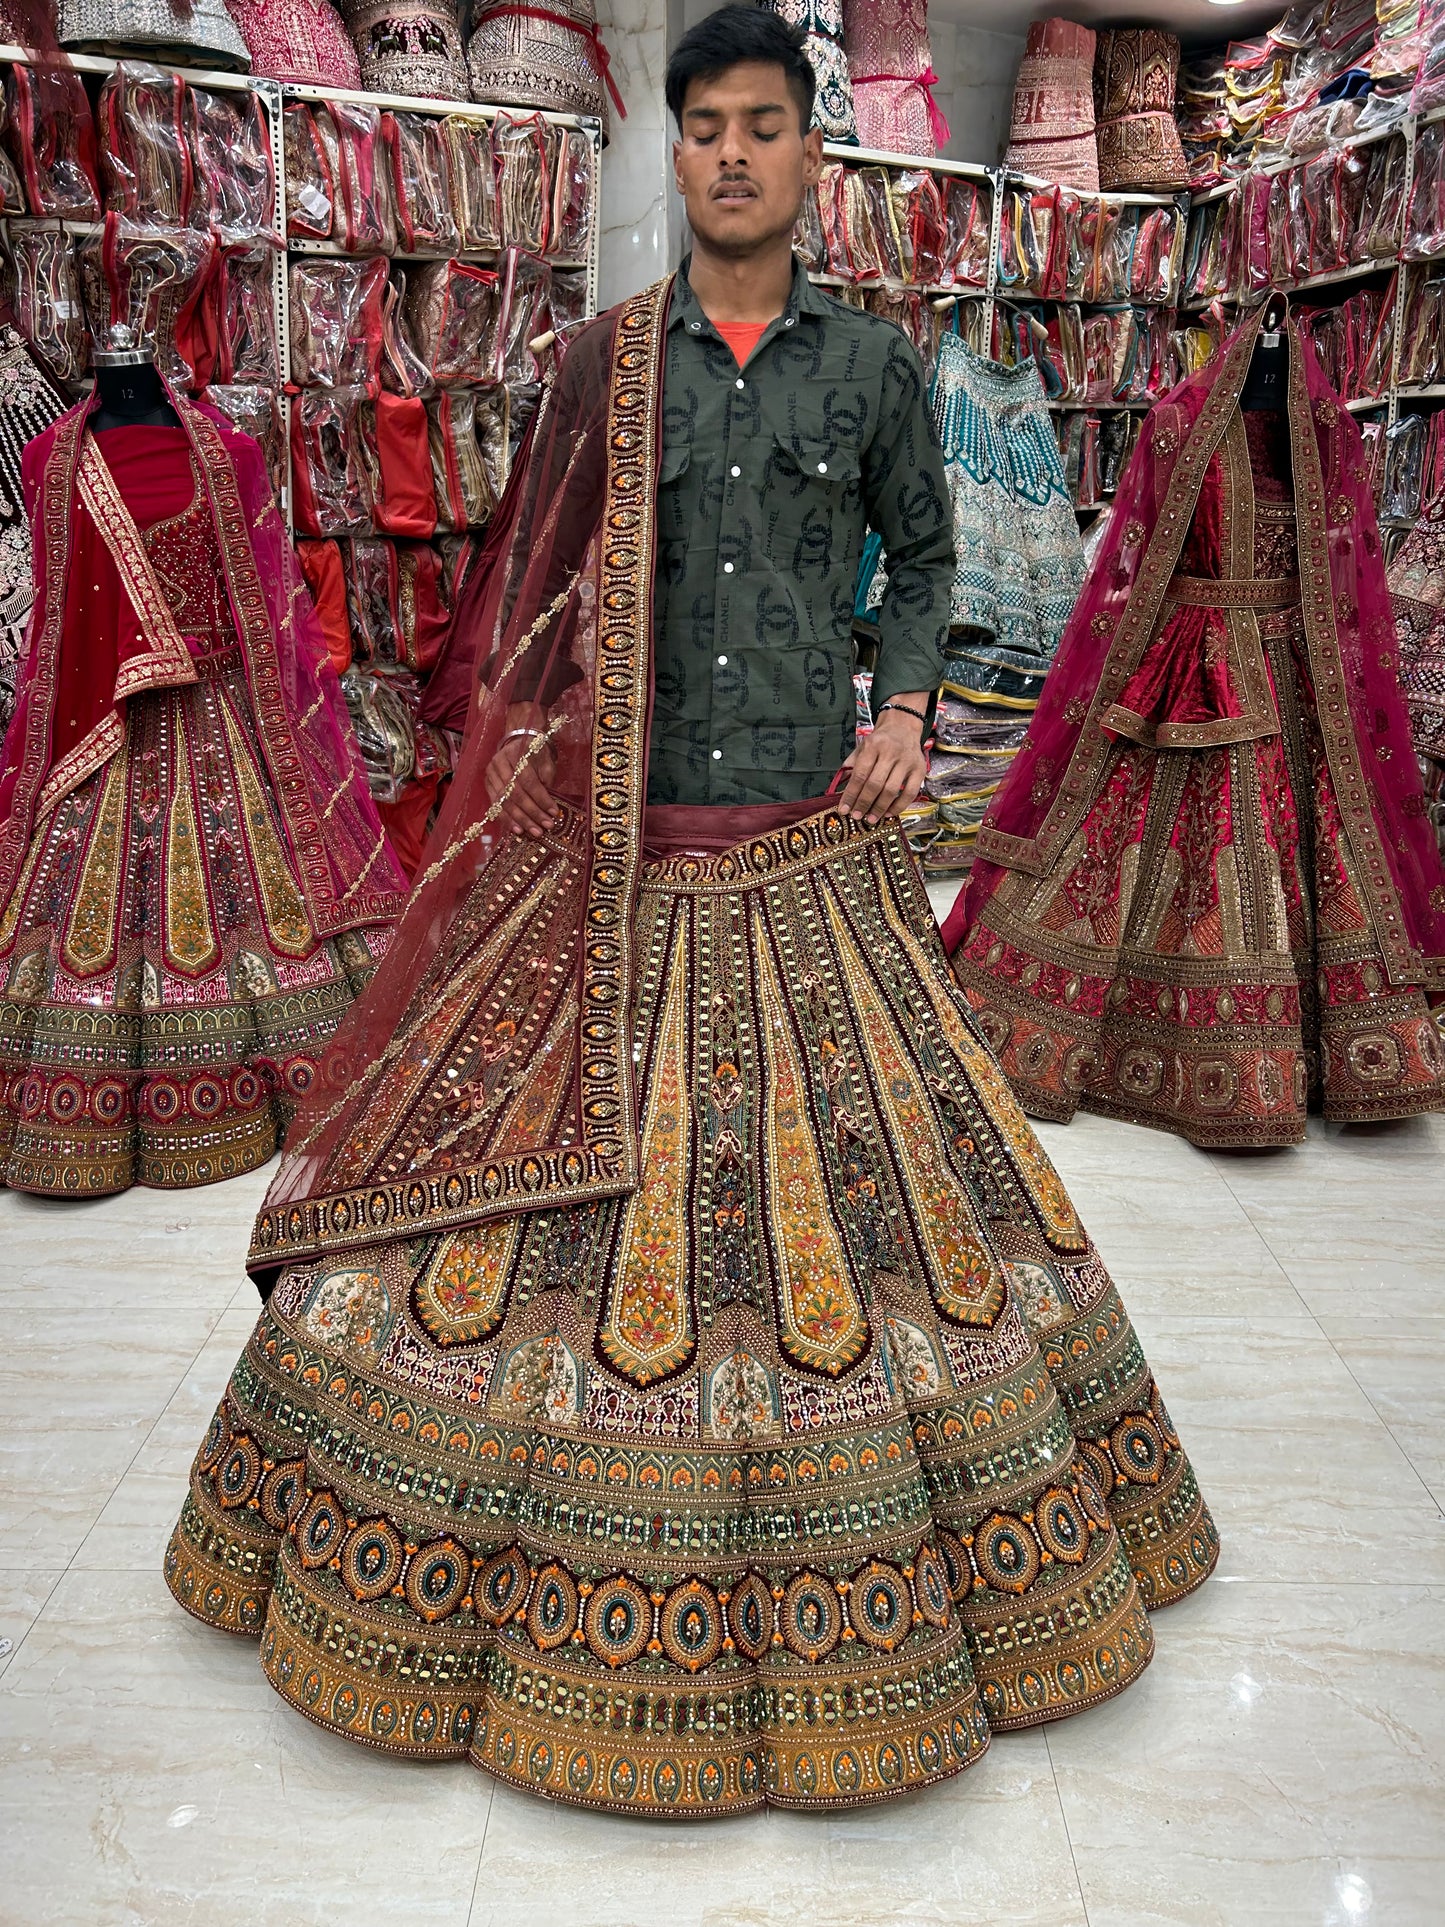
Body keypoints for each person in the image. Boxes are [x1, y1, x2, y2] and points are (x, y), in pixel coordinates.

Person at [165, 5, 1216, 1816]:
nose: (732, 155)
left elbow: (934, 557)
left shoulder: (876, 370)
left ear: (812, 155)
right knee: (518, 1200)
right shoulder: (598, 365)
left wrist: (902, 708)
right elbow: (534, 603)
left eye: (762, 126)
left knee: (883, 1229)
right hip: (621, 866)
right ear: (676, 150)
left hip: (813, 853)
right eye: (704, 128)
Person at [943, 311, 1445, 1147]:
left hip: (1302, 679)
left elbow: (1349, 571)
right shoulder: (1176, 426)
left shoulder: (1328, 437)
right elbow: (1129, 571)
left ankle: (1334, 1053)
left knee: (1308, 847)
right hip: (1200, 667)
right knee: (1199, 847)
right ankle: (1201, 1048)